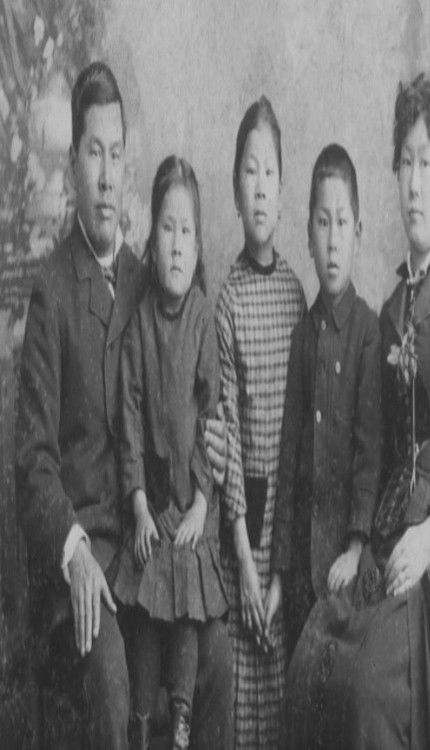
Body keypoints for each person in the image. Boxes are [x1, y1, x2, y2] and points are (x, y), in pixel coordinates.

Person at [16, 61, 231, 749]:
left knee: (217, 661)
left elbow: (194, 392)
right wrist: (73, 552)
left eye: (116, 154)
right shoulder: (52, 293)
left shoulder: (149, 278)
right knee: (111, 676)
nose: (107, 176)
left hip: (152, 551)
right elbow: (33, 462)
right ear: (72, 166)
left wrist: (212, 445)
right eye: (93, 153)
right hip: (87, 561)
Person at [283, 73, 430, 749]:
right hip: (384, 540)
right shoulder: (389, 310)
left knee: (367, 687)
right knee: (312, 661)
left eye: (427, 164)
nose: (414, 184)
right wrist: (358, 548)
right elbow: (376, 452)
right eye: (405, 164)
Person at [113, 155, 228, 750]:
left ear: (198, 243)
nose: (177, 244)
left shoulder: (204, 320)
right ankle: (140, 724)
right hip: (152, 510)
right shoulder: (138, 326)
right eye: (167, 229)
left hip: (190, 513)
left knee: (185, 609)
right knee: (142, 612)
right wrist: (137, 504)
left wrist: (204, 504)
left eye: (187, 231)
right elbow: (129, 420)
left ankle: (180, 723)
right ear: (151, 242)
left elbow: (213, 416)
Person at [216, 96, 305, 748]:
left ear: (283, 186)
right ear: (236, 189)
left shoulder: (297, 295)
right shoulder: (226, 301)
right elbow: (228, 433)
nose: (261, 186)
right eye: (250, 171)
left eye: (270, 171)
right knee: (239, 698)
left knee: (284, 704)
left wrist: (277, 576)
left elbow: (299, 443)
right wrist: (247, 563)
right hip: (240, 531)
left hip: (286, 536)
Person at [271, 143, 382, 655]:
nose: (332, 241)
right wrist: (279, 571)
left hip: (345, 568)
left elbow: (369, 454)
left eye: (341, 223)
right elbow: (288, 458)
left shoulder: (368, 332)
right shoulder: (303, 336)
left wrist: (356, 549)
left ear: (358, 232)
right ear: (307, 235)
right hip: (301, 569)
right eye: (322, 223)